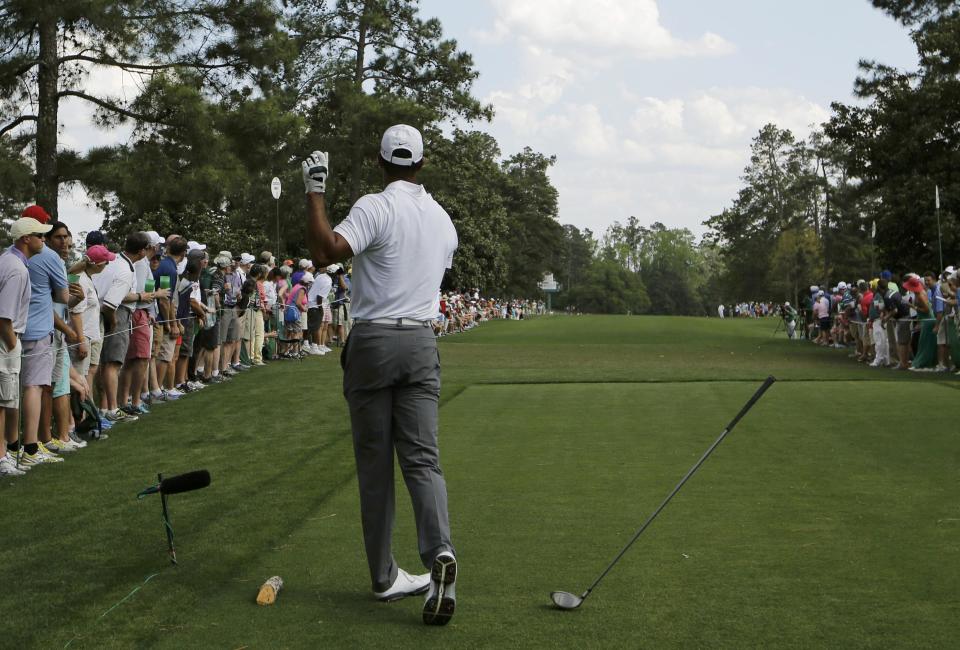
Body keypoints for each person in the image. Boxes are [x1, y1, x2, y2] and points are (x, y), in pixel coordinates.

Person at [302, 124, 459, 625]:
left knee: (375, 468)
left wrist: (315, 191)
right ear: (422, 162)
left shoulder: (376, 205)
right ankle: (439, 552)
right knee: (423, 461)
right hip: (420, 340)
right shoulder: (441, 219)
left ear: (380, 160)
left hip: (373, 340)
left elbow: (326, 252)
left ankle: (385, 577)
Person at [0, 216, 48, 475]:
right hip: (6, 339)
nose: (43, 239)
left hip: (7, 338)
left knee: (7, 400)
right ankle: (1, 458)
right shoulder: (16, 269)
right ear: (26, 239)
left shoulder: (8, 259)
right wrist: (12, 345)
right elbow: (4, 317)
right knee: (2, 400)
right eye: (40, 235)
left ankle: (6, 452)